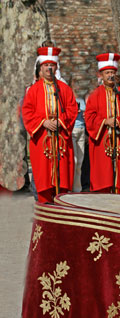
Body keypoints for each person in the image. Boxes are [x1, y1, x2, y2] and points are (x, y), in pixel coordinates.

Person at [22, 46, 77, 203]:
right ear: (41, 67)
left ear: (56, 67)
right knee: (44, 177)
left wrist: (60, 121)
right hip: (42, 140)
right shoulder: (33, 90)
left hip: (61, 139)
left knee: (63, 177)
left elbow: (72, 110)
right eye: (46, 65)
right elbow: (27, 113)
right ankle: (45, 210)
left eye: (51, 65)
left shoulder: (64, 89)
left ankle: (63, 209)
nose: (49, 68)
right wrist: (43, 122)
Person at [85, 53, 120, 194]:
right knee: (104, 175)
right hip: (102, 140)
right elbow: (89, 117)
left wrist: (119, 121)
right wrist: (105, 121)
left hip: (119, 140)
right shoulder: (95, 95)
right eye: (107, 72)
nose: (110, 75)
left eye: (112, 72)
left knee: (119, 176)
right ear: (101, 75)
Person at [70, 81, 86, 193]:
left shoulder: (82, 98)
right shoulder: (69, 97)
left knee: (80, 161)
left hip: (81, 129)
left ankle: (77, 189)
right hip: (72, 130)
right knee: (74, 160)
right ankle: (70, 187)